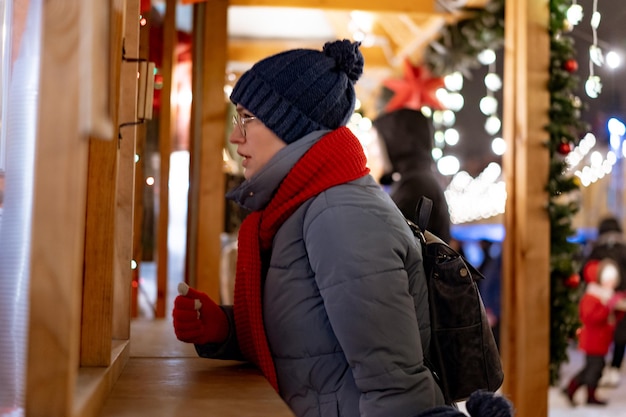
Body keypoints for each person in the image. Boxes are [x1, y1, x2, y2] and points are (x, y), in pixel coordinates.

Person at [172, 39, 446, 417]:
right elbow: (314, 344)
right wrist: (227, 329)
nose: (236, 137)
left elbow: (396, 388)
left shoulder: (341, 215)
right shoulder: (302, 207)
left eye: (247, 117)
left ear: (290, 123)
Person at [373, 108, 451, 243]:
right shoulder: (418, 180)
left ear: (395, 143)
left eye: (377, 143)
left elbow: (392, 244)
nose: (374, 151)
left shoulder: (414, 187)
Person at [562, 258, 626, 406]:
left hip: (601, 341)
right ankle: (575, 389)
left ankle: (583, 391)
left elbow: (611, 317)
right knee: (593, 368)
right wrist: (608, 307)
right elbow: (593, 318)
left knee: (596, 367)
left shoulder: (605, 296)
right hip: (592, 341)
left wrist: (617, 308)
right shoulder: (591, 297)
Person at [585, 216, 626, 387]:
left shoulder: (596, 251)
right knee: (620, 336)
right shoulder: (623, 249)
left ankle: (599, 369)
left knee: (602, 335)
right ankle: (613, 369)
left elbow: (587, 273)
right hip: (621, 300)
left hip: (600, 299)